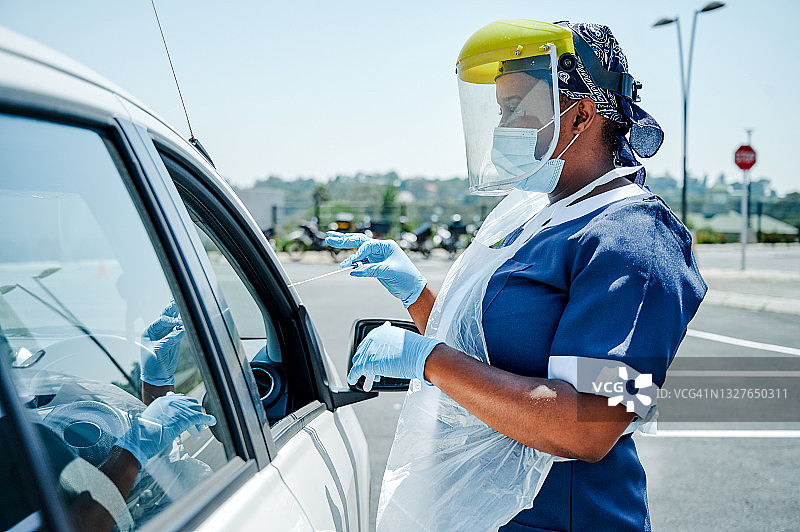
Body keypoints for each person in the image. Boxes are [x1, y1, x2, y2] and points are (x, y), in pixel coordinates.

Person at [327, 20, 706, 531]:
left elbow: (592, 426)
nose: (502, 127)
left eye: (514, 108)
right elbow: (489, 348)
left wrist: (428, 361)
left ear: (581, 114)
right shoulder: (533, 214)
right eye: (500, 110)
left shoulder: (635, 240)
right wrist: (419, 297)